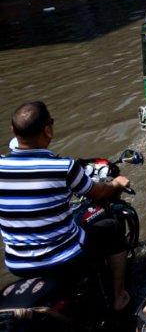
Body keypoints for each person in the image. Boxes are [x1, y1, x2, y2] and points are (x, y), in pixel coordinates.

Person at [0, 102, 132, 311]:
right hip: (63, 257)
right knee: (112, 228)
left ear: (13, 132)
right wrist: (117, 183)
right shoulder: (63, 167)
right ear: (48, 130)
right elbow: (98, 192)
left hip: (17, 263)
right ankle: (119, 298)